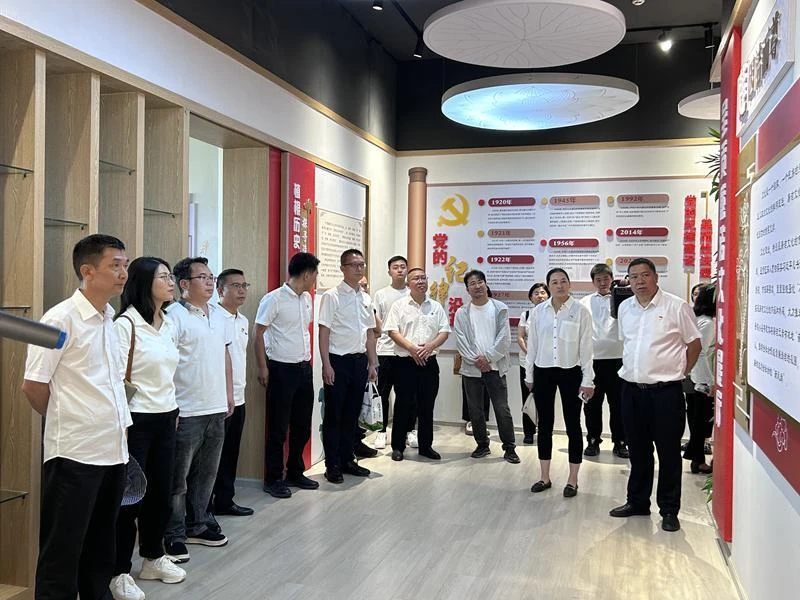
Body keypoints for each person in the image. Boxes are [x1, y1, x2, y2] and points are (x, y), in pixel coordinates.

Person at [22, 234, 132, 600]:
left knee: (101, 549)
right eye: (114, 265)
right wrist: (69, 419)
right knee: (62, 551)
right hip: (74, 454)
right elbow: (33, 385)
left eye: (125, 265)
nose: (123, 273)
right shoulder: (58, 319)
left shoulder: (110, 318)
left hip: (112, 451)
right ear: (88, 271)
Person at [111, 257, 186, 600]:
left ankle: (153, 557)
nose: (171, 282)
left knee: (161, 493)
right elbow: (113, 380)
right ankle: (118, 572)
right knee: (129, 499)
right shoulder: (125, 324)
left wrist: (174, 409)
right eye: (163, 277)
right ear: (143, 283)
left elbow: (168, 374)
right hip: (135, 420)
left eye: (170, 276)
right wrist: (122, 425)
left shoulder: (167, 322)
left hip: (166, 416)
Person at [609, 258, 701, 533]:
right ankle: (637, 501)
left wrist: (681, 372)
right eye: (634, 276)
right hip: (631, 391)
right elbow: (628, 345)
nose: (639, 281)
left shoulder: (676, 306)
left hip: (665, 393)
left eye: (645, 275)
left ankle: (669, 510)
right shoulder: (625, 308)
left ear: (655, 277)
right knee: (638, 450)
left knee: (669, 452)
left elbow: (694, 344)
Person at [163, 257, 234, 563]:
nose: (209, 282)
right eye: (202, 277)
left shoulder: (218, 314)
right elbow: (164, 363)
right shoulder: (173, 316)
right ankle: (173, 533)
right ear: (184, 284)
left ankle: (198, 524)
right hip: (186, 408)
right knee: (177, 479)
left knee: (207, 473)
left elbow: (225, 355)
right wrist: (171, 406)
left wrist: (229, 393)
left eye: (211, 276)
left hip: (216, 406)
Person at [254, 252, 321, 498]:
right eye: (315, 274)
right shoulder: (274, 299)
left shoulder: (307, 298)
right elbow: (258, 333)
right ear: (307, 274)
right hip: (281, 369)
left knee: (302, 425)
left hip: (304, 368)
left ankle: (295, 471)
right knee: (278, 427)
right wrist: (263, 367)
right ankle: (273, 478)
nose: (315, 279)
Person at [525, 268, 594, 498]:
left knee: (573, 425)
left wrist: (588, 380)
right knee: (544, 425)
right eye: (554, 282)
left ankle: (573, 480)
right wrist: (529, 375)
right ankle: (544, 477)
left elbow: (587, 349)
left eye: (563, 281)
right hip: (543, 371)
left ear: (569, 284)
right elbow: (532, 346)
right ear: (548, 286)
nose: (560, 285)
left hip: (570, 372)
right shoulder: (538, 312)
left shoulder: (580, 311)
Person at [318, 249, 378, 483]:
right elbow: (324, 332)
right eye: (354, 265)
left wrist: (372, 363)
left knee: (352, 414)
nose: (359, 268)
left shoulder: (365, 298)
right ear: (342, 268)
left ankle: (347, 459)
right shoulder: (332, 296)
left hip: (359, 361)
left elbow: (370, 334)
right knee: (334, 414)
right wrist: (326, 364)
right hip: (338, 361)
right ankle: (332, 464)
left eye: (362, 264)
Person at [453, 270, 520, 464]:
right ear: (467, 289)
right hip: (471, 369)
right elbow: (461, 340)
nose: (477, 286)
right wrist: (477, 360)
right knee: (475, 410)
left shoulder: (499, 308)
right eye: (472, 283)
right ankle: (482, 445)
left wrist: (488, 358)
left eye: (480, 282)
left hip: (495, 368)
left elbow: (504, 338)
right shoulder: (462, 312)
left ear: (485, 284)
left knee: (502, 409)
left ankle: (509, 448)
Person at [383, 267, 450, 461]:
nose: (421, 281)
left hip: (429, 362)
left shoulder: (435, 306)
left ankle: (426, 446)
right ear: (408, 283)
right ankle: (397, 447)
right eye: (416, 278)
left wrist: (430, 347)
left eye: (423, 278)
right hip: (404, 363)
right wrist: (412, 349)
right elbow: (392, 331)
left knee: (426, 406)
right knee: (403, 405)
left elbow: (444, 331)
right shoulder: (399, 305)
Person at [209, 269, 254, 516]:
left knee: (231, 452)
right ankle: (203, 508)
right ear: (220, 290)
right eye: (235, 286)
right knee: (211, 457)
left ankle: (225, 500)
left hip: (238, 396)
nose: (242, 290)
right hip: (217, 398)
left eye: (244, 285)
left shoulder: (243, 320)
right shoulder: (212, 318)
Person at [581, 264, 628, 458]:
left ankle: (620, 442)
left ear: (612, 279)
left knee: (619, 405)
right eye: (598, 280)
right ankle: (593, 441)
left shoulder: (623, 299)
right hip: (593, 361)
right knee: (592, 405)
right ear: (593, 282)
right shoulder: (584, 302)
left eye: (606, 279)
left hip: (618, 360)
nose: (602, 283)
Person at [371, 255, 410, 450]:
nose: (400, 270)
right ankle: (381, 431)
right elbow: (376, 323)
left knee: (407, 394)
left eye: (403, 266)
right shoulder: (381, 294)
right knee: (383, 393)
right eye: (395, 267)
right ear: (389, 271)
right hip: (385, 350)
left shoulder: (412, 293)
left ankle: (409, 431)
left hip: (406, 351)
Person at [683, 284, 716, 474]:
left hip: (695, 376)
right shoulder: (707, 323)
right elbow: (701, 353)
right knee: (700, 421)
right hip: (700, 379)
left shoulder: (698, 320)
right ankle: (697, 460)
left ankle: (697, 459)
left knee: (697, 420)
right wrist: (710, 381)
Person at [517, 282, 550, 444]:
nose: (540, 296)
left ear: (548, 295)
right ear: (531, 297)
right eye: (536, 293)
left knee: (545, 399)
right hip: (526, 362)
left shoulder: (553, 314)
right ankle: (528, 432)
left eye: (543, 292)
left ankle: (544, 430)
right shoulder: (526, 315)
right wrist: (530, 353)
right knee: (527, 397)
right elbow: (520, 337)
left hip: (546, 363)